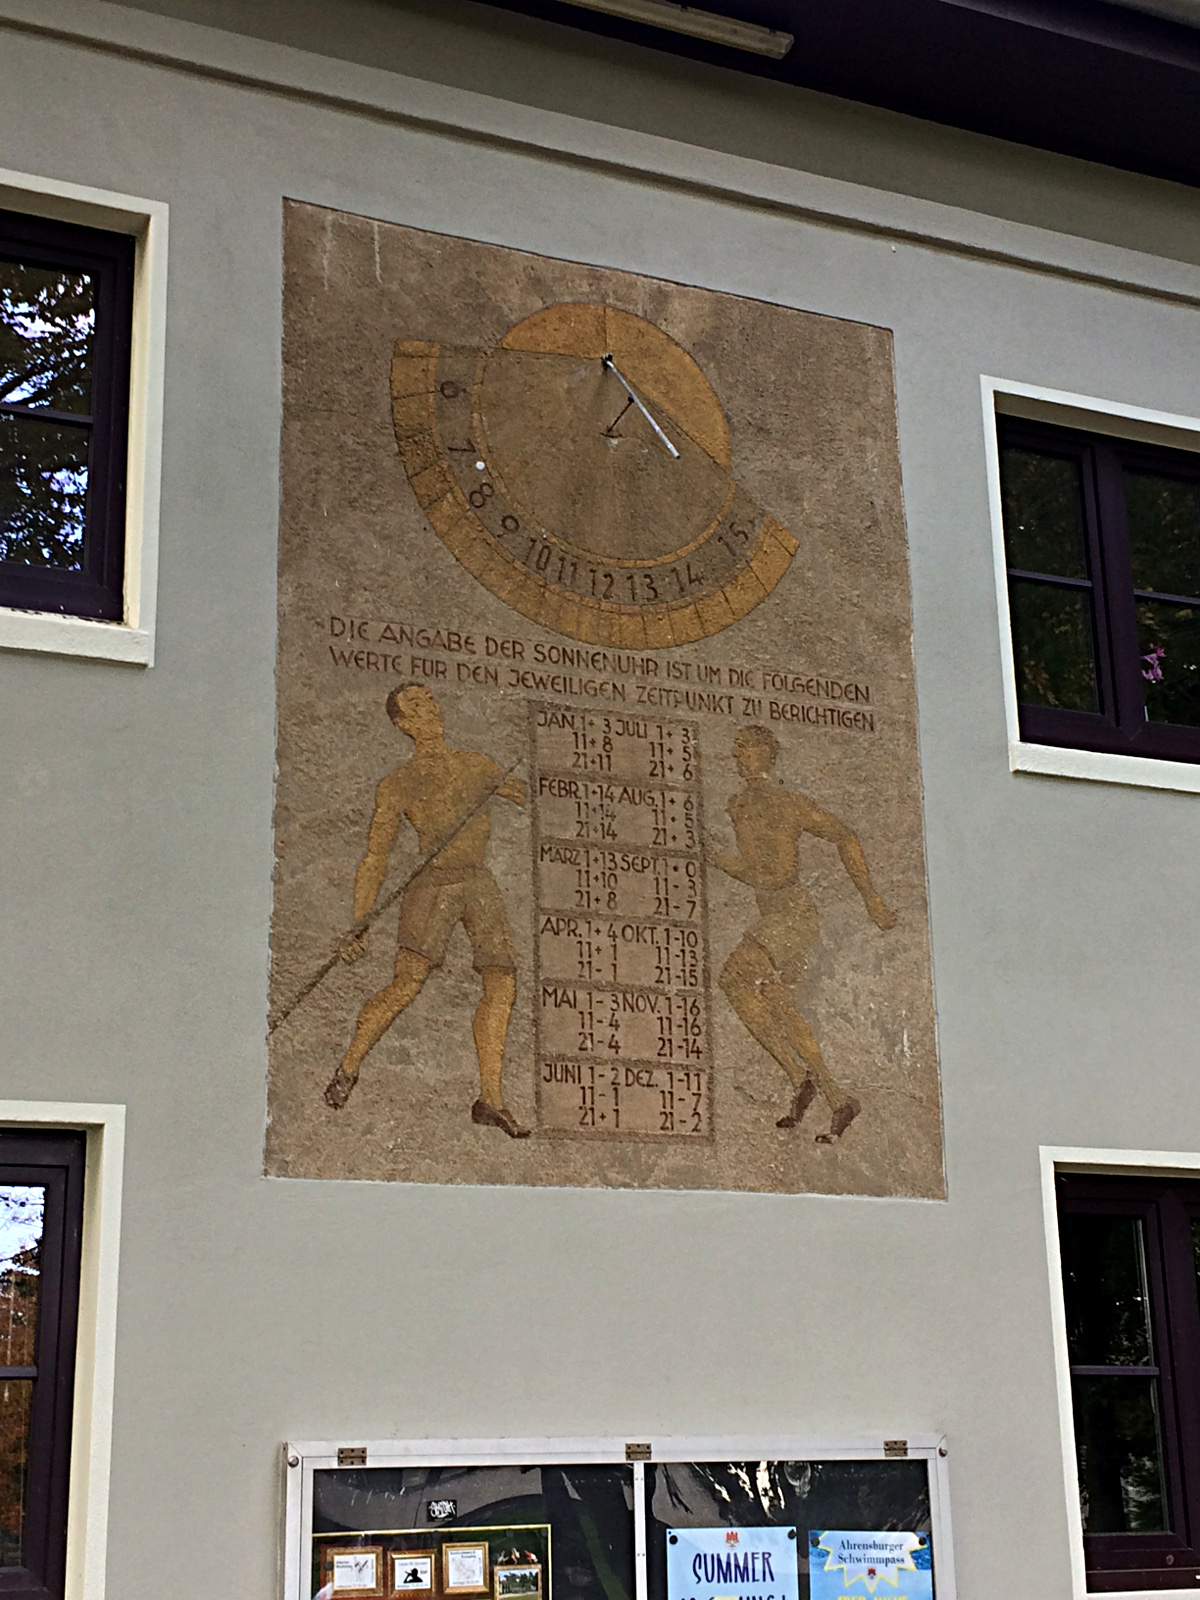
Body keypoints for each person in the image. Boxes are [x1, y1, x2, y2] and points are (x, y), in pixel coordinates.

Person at [323, 683, 529, 1137]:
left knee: (502, 982)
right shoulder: (399, 783)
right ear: (403, 724)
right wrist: (360, 921)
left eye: (431, 700)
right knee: (406, 984)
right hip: (433, 883)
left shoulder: (477, 764)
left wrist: (520, 780)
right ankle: (349, 1066)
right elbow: (375, 857)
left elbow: (525, 795)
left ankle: (491, 1101)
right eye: (416, 705)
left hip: (478, 881)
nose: (430, 708)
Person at [711, 724, 895, 1142]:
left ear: (768, 755)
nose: (740, 757)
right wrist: (720, 858)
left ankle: (799, 1075)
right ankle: (837, 1099)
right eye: (737, 751)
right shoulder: (738, 805)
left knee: (734, 978)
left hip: (792, 916)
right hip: (775, 915)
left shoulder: (787, 804)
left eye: (749, 750)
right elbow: (757, 871)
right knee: (779, 1004)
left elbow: (829, 844)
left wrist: (872, 899)